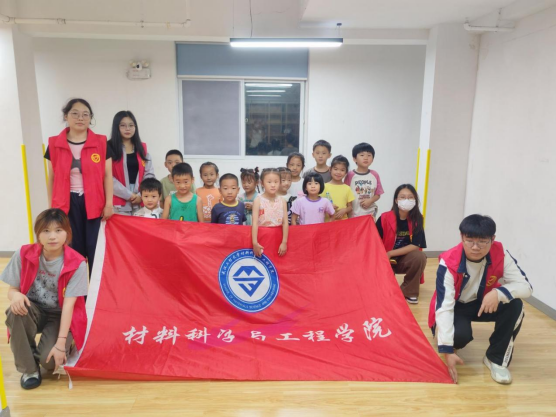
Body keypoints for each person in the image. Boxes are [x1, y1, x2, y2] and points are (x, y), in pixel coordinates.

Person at [429, 215, 533, 385]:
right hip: (456, 306)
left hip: (483, 302)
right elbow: (444, 306)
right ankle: (453, 343)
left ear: (493, 239)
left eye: (483, 241)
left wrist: (498, 293)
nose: (475, 247)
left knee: (515, 305)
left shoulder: (501, 254)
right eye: (469, 240)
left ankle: (495, 359)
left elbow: (526, 287)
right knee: (459, 337)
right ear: (461, 237)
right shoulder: (449, 261)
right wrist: (447, 349)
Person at [1, 209, 88, 390]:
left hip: (59, 315)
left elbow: (69, 306)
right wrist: (15, 295)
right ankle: (29, 370)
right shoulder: (23, 253)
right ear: (38, 234)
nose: (52, 236)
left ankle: (61, 344)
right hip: (33, 309)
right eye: (46, 231)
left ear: (67, 233)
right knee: (14, 311)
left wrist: (61, 343)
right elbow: (13, 290)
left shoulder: (77, 263)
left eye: (58, 230)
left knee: (49, 363)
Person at [44, 98, 113, 276]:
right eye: (75, 113)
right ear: (66, 116)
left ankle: (95, 293)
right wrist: (52, 207)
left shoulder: (101, 142)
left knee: (95, 248)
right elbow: (52, 178)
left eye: (85, 114)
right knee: (73, 249)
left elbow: (107, 176)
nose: (80, 118)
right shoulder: (54, 144)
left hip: (95, 203)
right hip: (66, 203)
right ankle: (77, 293)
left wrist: (109, 204)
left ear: (90, 118)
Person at [376, 184, 427, 303]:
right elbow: (375, 241)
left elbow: (416, 245)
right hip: (385, 260)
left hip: (403, 259)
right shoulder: (384, 218)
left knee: (420, 256)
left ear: (415, 200)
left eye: (410, 197)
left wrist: (391, 253)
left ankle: (409, 291)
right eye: (402, 197)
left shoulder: (417, 219)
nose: (406, 200)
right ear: (396, 200)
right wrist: (385, 256)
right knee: (383, 293)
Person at [108, 111, 154, 215]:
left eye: (131, 125)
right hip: (118, 200)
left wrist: (141, 194)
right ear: (116, 127)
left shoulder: (142, 149)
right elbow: (107, 177)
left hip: (140, 198)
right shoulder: (109, 148)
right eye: (123, 125)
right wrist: (129, 195)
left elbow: (149, 174)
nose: (127, 129)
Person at [252, 168, 289, 257]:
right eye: (269, 182)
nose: (273, 185)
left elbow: (285, 223)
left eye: (276, 182)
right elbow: (255, 223)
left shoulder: (282, 201)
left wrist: (284, 242)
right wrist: (255, 243)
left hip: (278, 239)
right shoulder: (258, 200)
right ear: (262, 183)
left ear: (280, 183)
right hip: (262, 238)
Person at [344, 142, 384, 220]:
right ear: (354, 158)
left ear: (372, 159)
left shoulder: (374, 174)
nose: (366, 158)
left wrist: (370, 200)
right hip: (354, 215)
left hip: (370, 215)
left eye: (369, 155)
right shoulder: (350, 175)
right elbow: (345, 194)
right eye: (362, 155)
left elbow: (378, 194)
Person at [321, 155, 355, 221]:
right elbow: (318, 204)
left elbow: (350, 207)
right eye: (335, 169)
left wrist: (345, 210)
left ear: (346, 172)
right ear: (330, 169)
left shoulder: (347, 188)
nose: (338, 172)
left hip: (343, 223)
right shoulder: (324, 187)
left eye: (342, 170)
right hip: (328, 222)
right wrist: (328, 206)